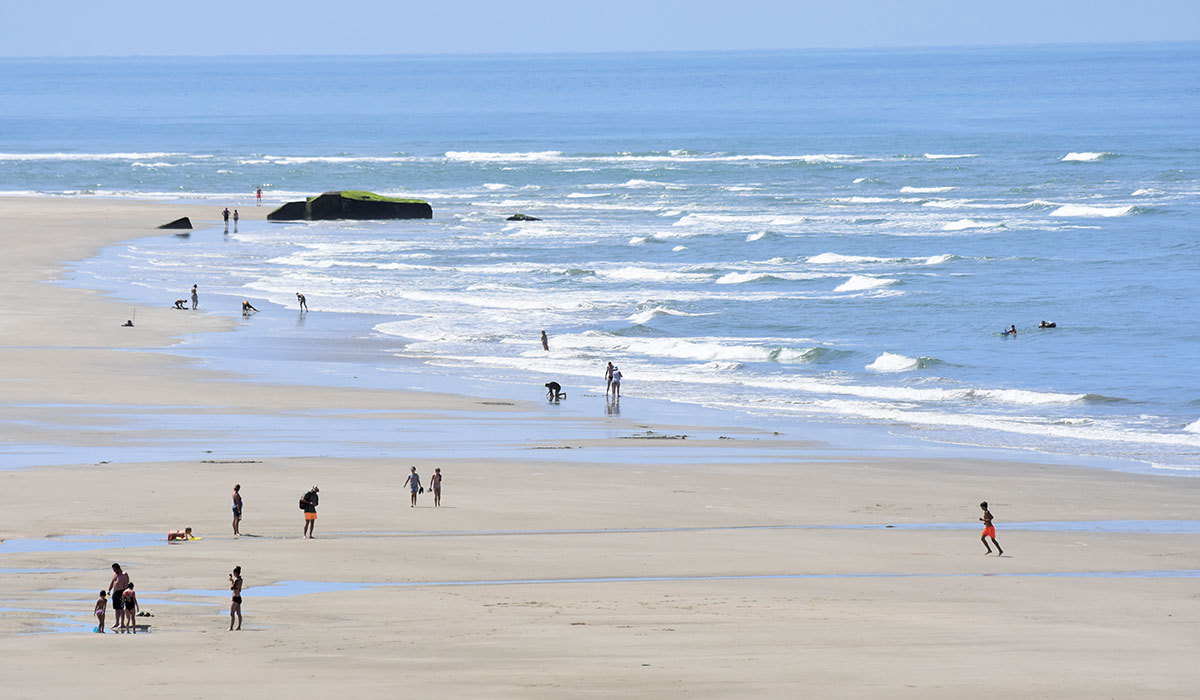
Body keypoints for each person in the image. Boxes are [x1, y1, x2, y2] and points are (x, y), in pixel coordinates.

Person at [108, 563, 129, 632]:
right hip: (115, 592)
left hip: (121, 592)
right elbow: (112, 583)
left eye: (114, 569)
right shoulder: (115, 575)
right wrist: (109, 590)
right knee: (116, 608)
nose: (114, 571)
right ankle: (117, 622)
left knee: (121, 608)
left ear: (118, 568)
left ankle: (122, 623)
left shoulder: (124, 574)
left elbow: (126, 584)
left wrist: (125, 594)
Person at [229, 566, 243, 631]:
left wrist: (231, 581)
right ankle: (239, 626)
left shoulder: (237, 580)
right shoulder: (240, 579)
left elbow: (232, 588)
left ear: (235, 573)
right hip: (239, 597)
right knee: (238, 614)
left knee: (232, 613)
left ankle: (231, 627)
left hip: (235, 598)